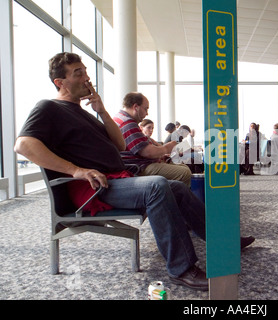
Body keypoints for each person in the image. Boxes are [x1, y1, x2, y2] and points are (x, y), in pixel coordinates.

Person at [14, 53, 205, 291]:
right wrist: (76, 170)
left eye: (85, 71)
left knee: (175, 186)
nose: (86, 77)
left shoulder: (86, 114)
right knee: (157, 185)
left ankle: (220, 241)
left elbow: (121, 145)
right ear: (59, 83)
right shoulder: (49, 107)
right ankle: (182, 269)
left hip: (117, 181)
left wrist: (102, 110)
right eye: (78, 73)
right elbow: (23, 145)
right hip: (95, 188)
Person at [113, 93, 192, 187]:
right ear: (136, 107)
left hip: (135, 164)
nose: (147, 113)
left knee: (183, 167)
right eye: (145, 109)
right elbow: (147, 152)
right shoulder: (128, 124)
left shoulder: (119, 118)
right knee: (185, 172)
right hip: (139, 167)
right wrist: (167, 148)